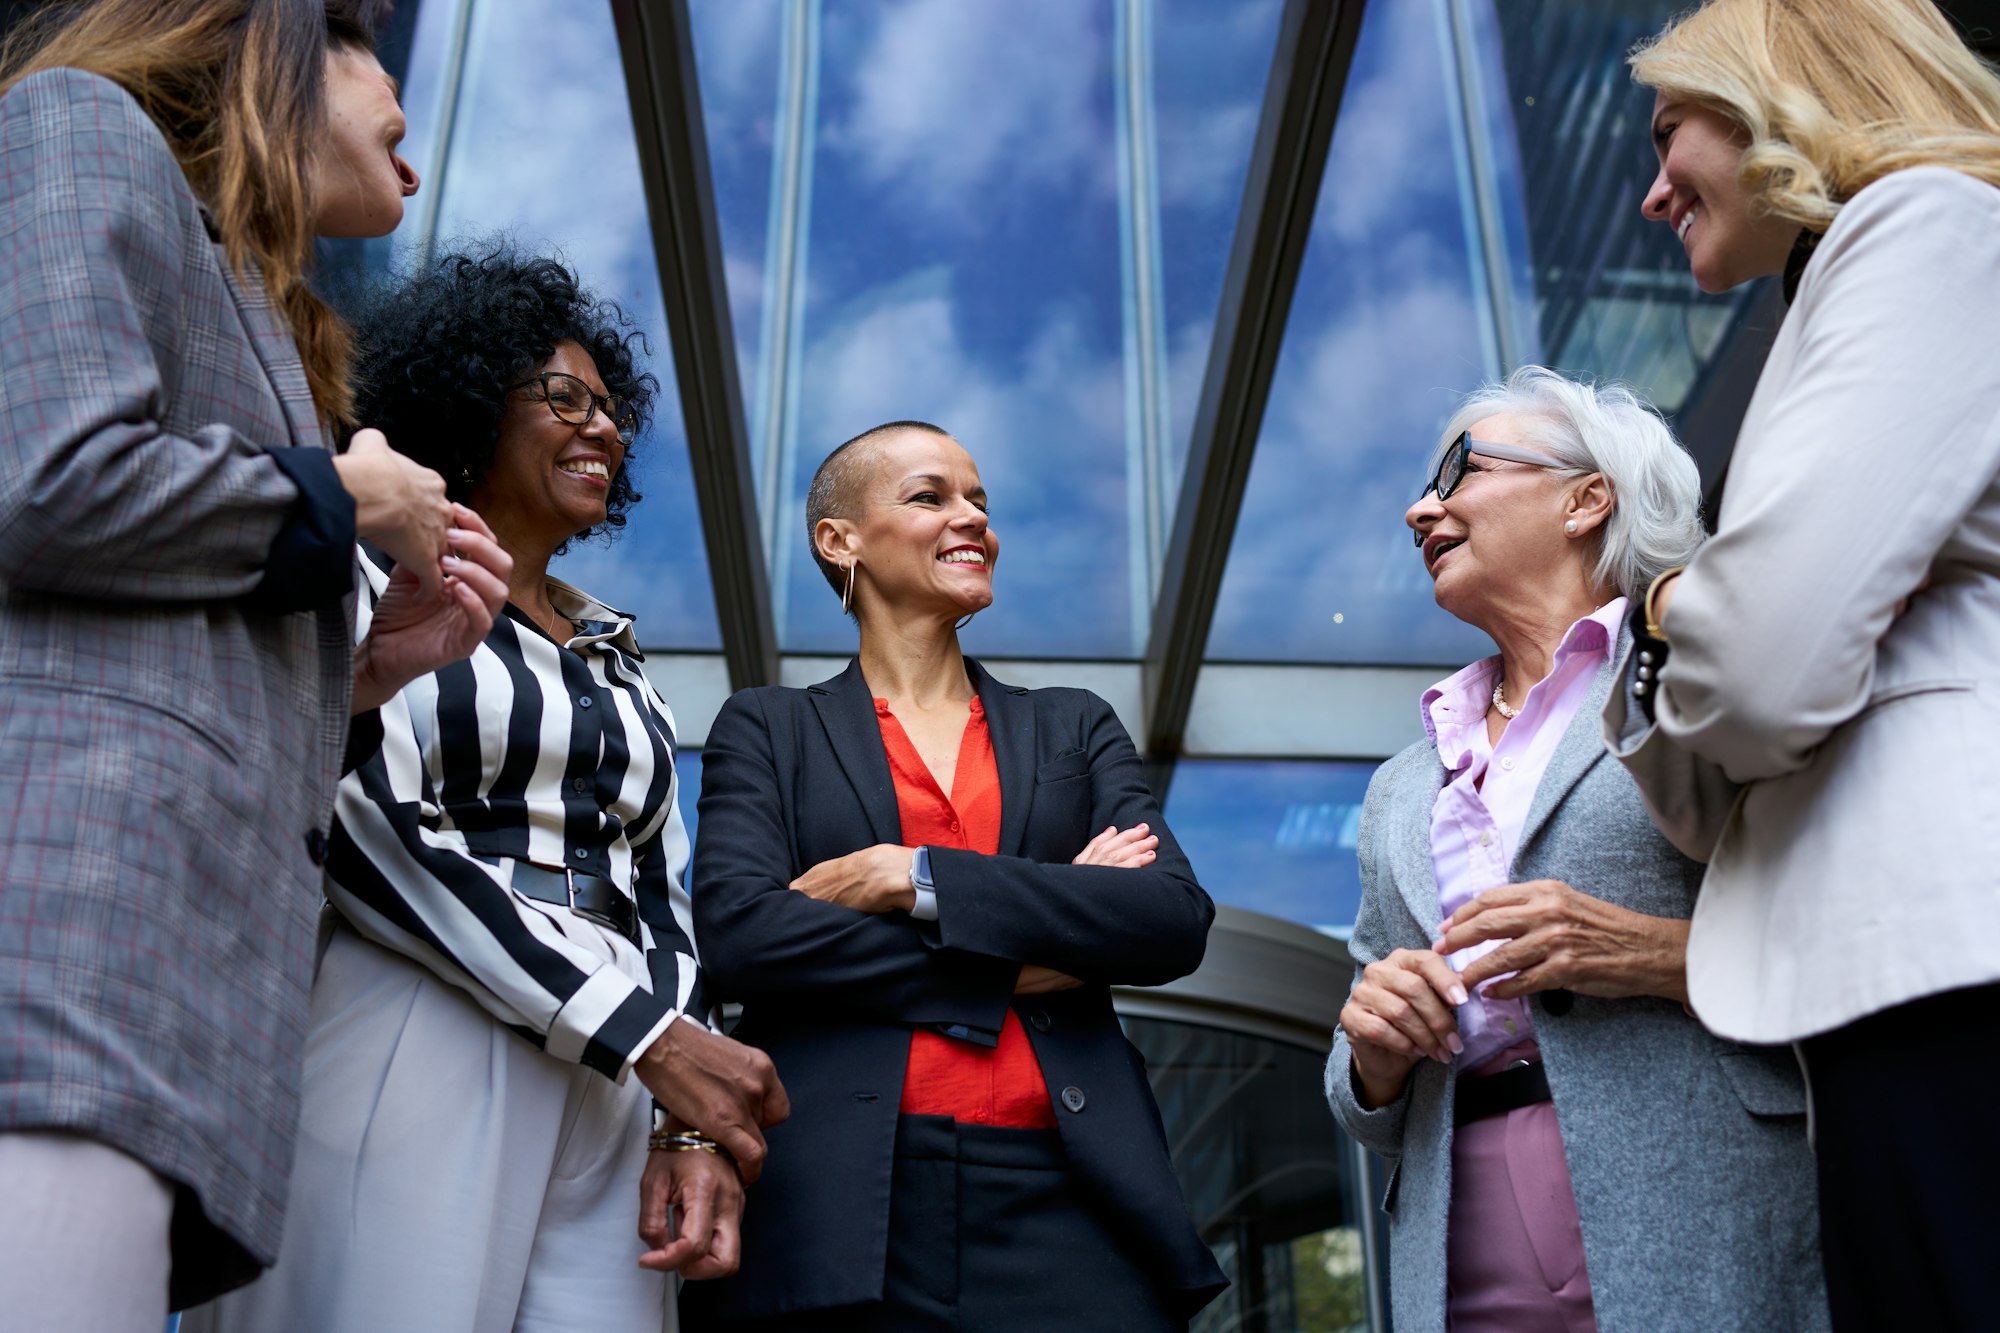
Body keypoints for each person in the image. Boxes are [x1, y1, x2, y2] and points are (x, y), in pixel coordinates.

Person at [0, 3, 513, 1325]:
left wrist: (362, 678)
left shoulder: (265, 313)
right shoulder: (77, 124)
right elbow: (47, 483)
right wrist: (344, 494)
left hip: (157, 1008)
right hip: (62, 956)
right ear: (276, 44)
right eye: (367, 38)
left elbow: (154, 631)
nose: (409, 108)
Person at [184, 247, 788, 1333]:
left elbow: (663, 899)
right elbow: (364, 832)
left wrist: (685, 1122)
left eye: (612, 410)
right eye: (563, 396)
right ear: (466, 402)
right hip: (423, 1003)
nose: (602, 428)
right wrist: (642, 1035)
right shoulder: (369, 576)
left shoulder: (614, 652)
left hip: (622, 1063)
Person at [1612, 2, 2000, 1326]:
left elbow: (1762, 673)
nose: (1653, 188)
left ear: (1781, 91)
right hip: (1895, 990)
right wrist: (1692, 613)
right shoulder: (1845, 297)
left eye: (1674, 130)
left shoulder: (1926, 230)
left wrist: (1678, 603)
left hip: (1951, 974)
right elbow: (1701, 785)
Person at [680, 421, 1226, 1329]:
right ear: (840, 539)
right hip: (841, 1198)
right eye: (931, 496)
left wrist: (915, 875)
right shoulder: (768, 728)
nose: (972, 518)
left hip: (1073, 1197)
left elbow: (1169, 917)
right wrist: (1037, 940)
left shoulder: (1073, 726)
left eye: (979, 500)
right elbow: (742, 937)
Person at [1327, 368, 1826, 1333]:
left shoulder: (1701, 678)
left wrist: (1652, 954)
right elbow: (1356, 1095)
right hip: (1459, 1224)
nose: (1417, 507)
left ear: (1586, 496)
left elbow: (1843, 932)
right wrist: (1371, 1051)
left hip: (1703, 1197)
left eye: (1458, 471)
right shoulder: (1399, 785)